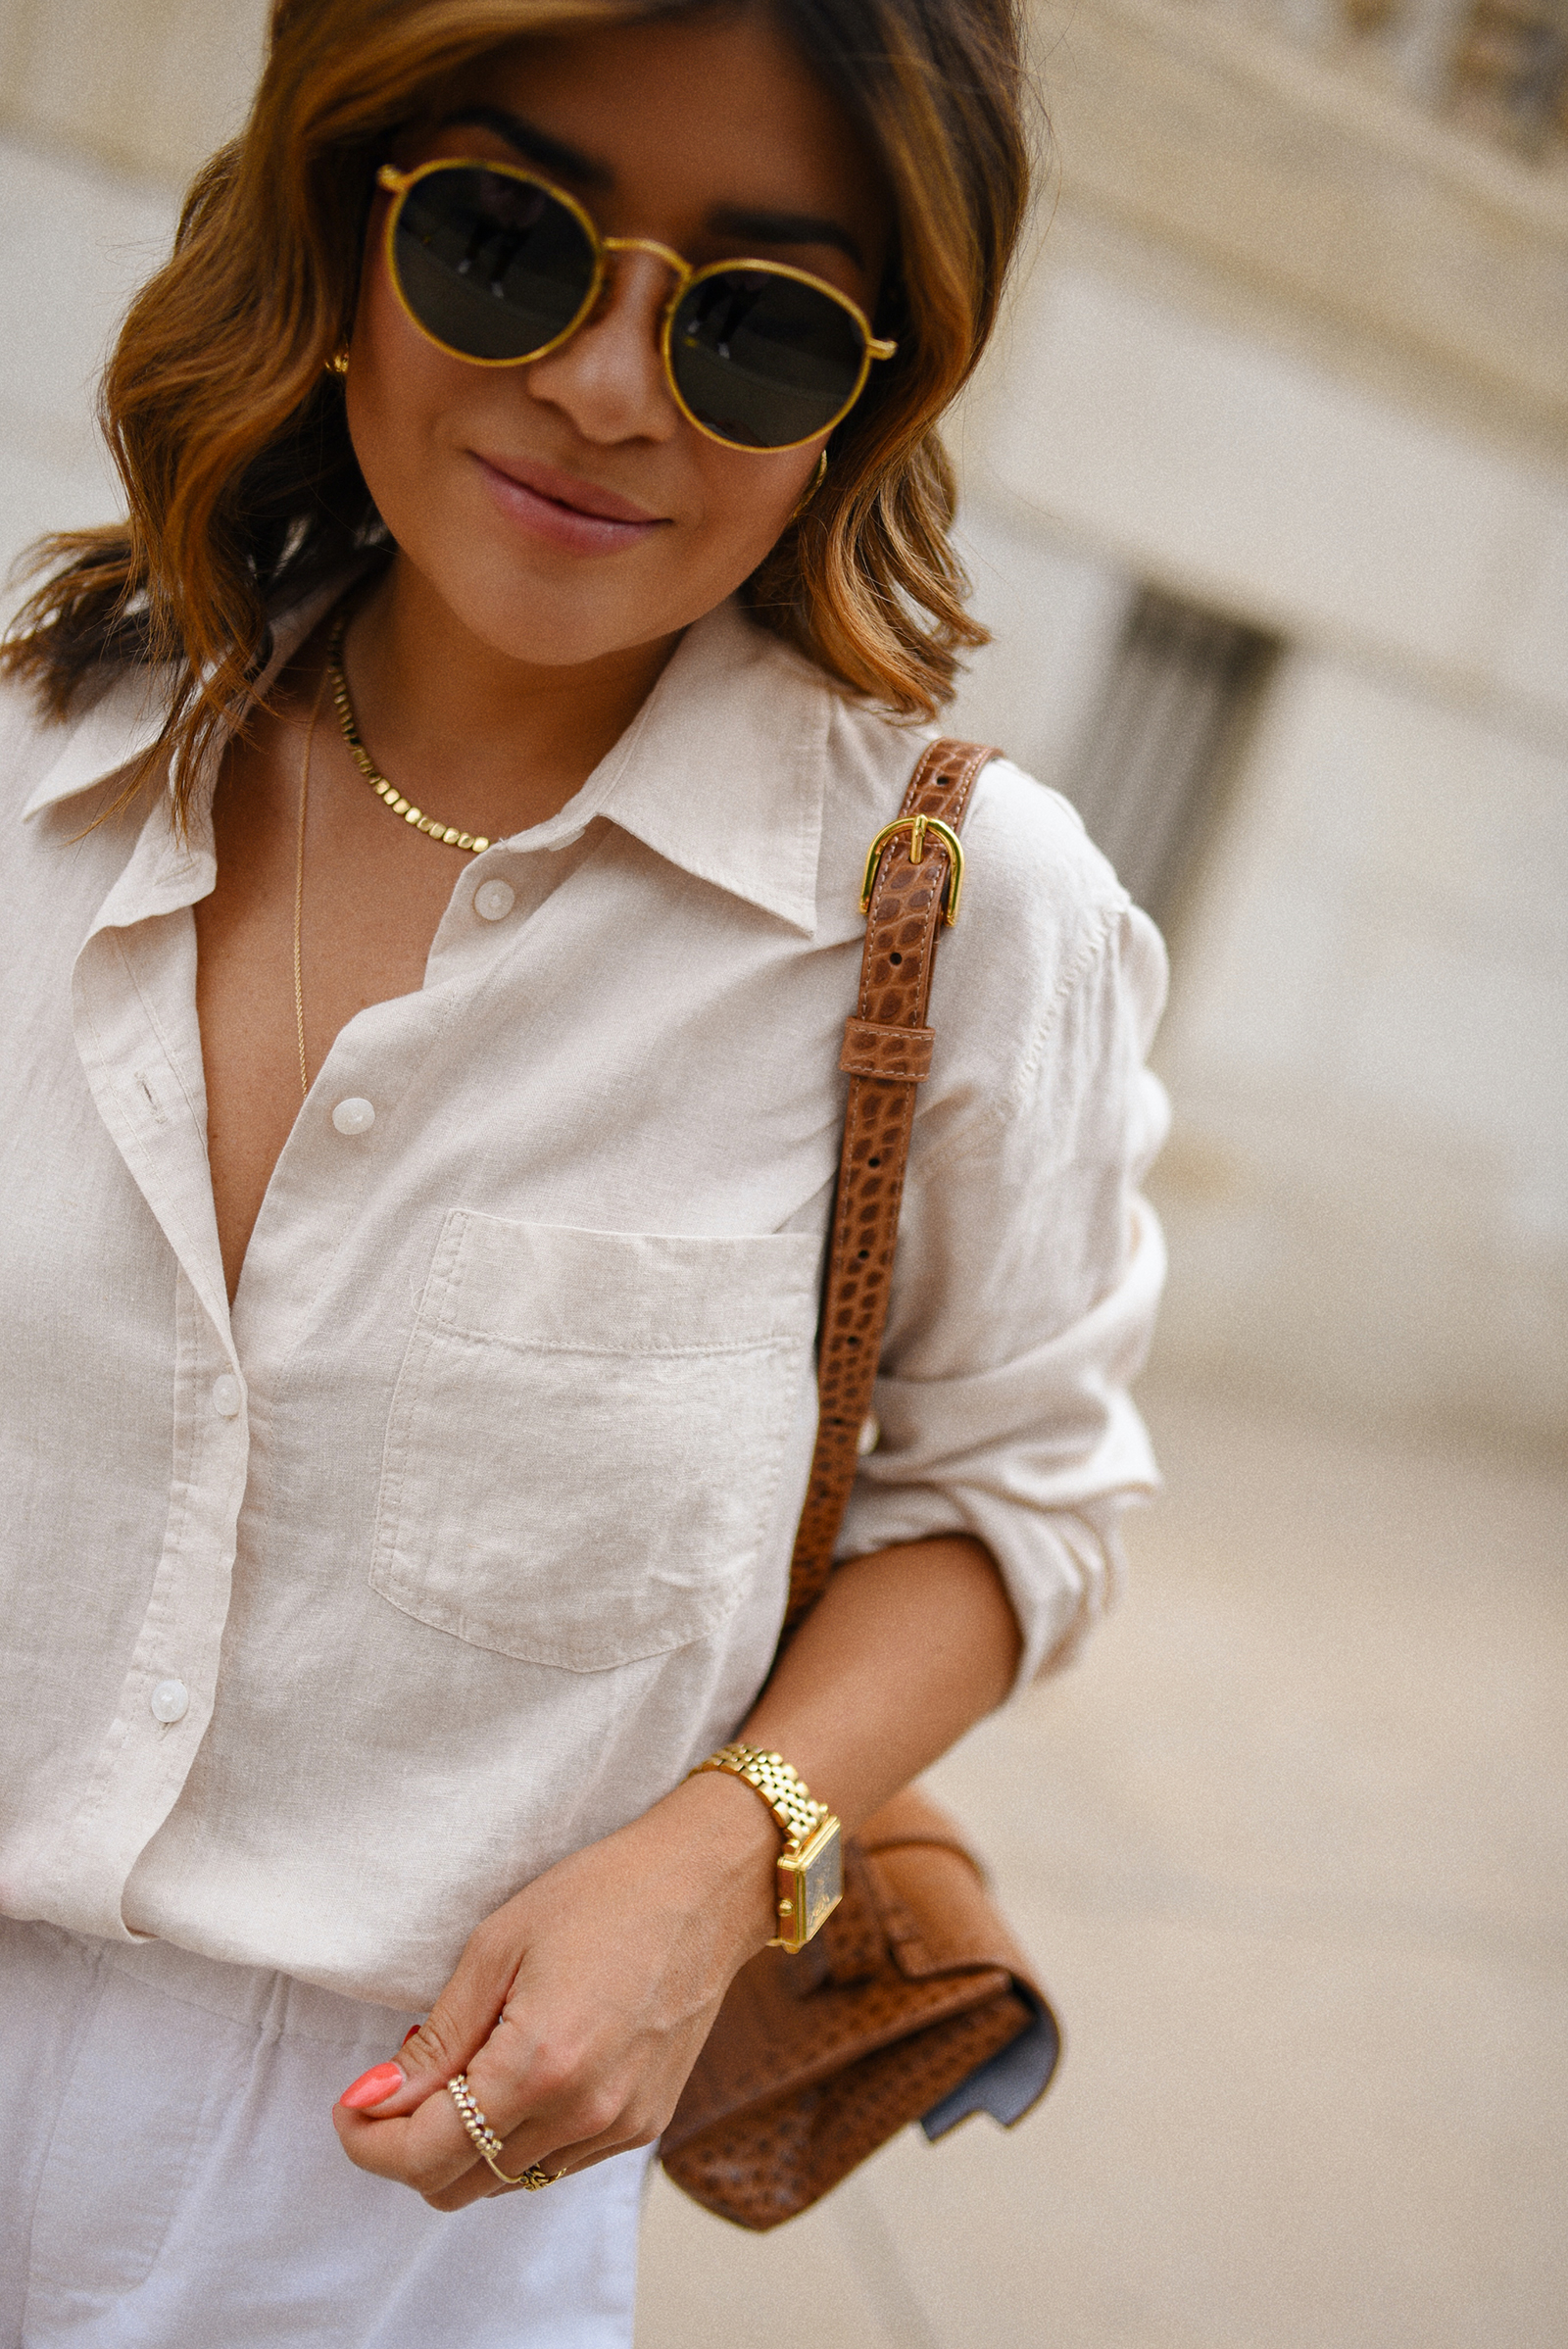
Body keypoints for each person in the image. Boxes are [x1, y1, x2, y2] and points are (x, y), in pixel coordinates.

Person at [0, 0, 1168, 2341]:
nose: (613, 387)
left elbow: (1012, 1492)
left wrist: (727, 1848)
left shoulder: (950, 915)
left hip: (376, 2226)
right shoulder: (47, 759)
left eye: (748, 319)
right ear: (351, 237)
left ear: (866, 384)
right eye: (516, 245)